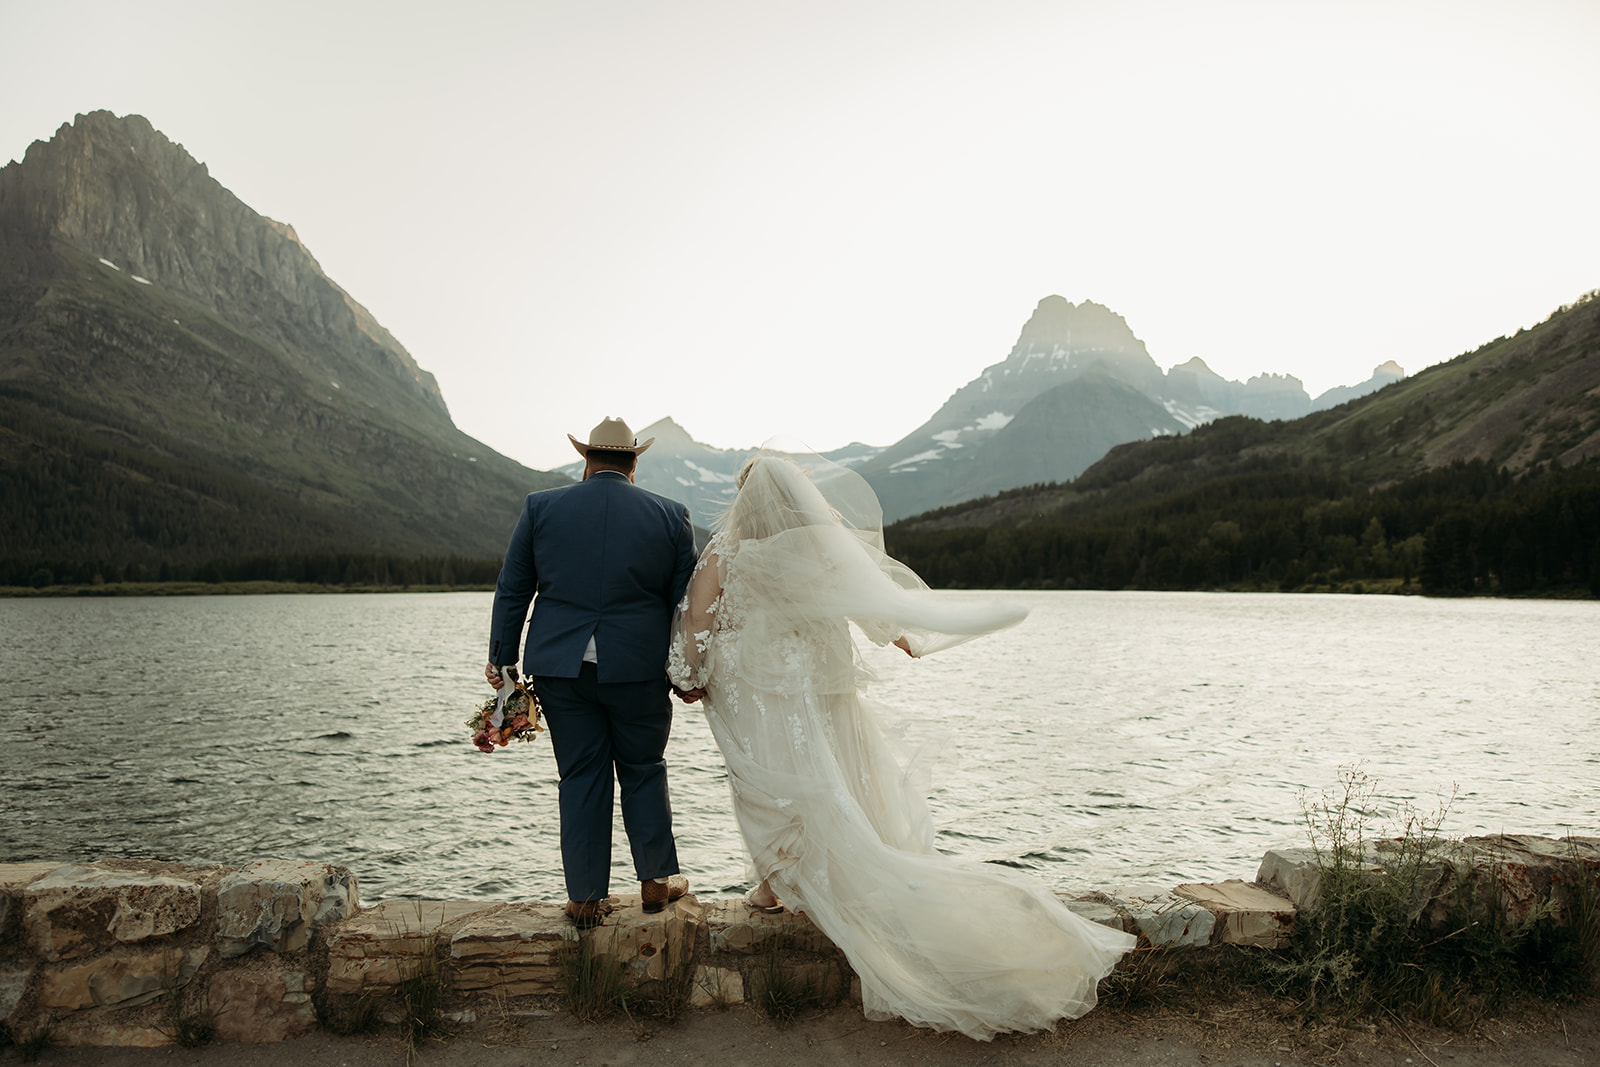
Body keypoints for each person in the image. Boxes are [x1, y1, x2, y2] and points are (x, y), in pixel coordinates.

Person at [668, 450, 1136, 1041]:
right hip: (808, 678)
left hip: (752, 684)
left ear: (746, 500)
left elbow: (695, 625)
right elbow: (868, 599)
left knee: (767, 777)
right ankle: (790, 886)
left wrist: (687, 677)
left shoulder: (725, 550)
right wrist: (899, 637)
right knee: (822, 770)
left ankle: (776, 886)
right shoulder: (817, 543)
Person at [487, 417, 698, 929]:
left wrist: (503, 659)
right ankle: (653, 883)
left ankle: (583, 897)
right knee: (644, 768)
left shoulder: (542, 507)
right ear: (634, 462)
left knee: (580, 775)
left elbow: (514, 587)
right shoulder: (670, 515)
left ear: (586, 461)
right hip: (638, 667)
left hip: (561, 666)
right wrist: (691, 671)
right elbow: (686, 605)